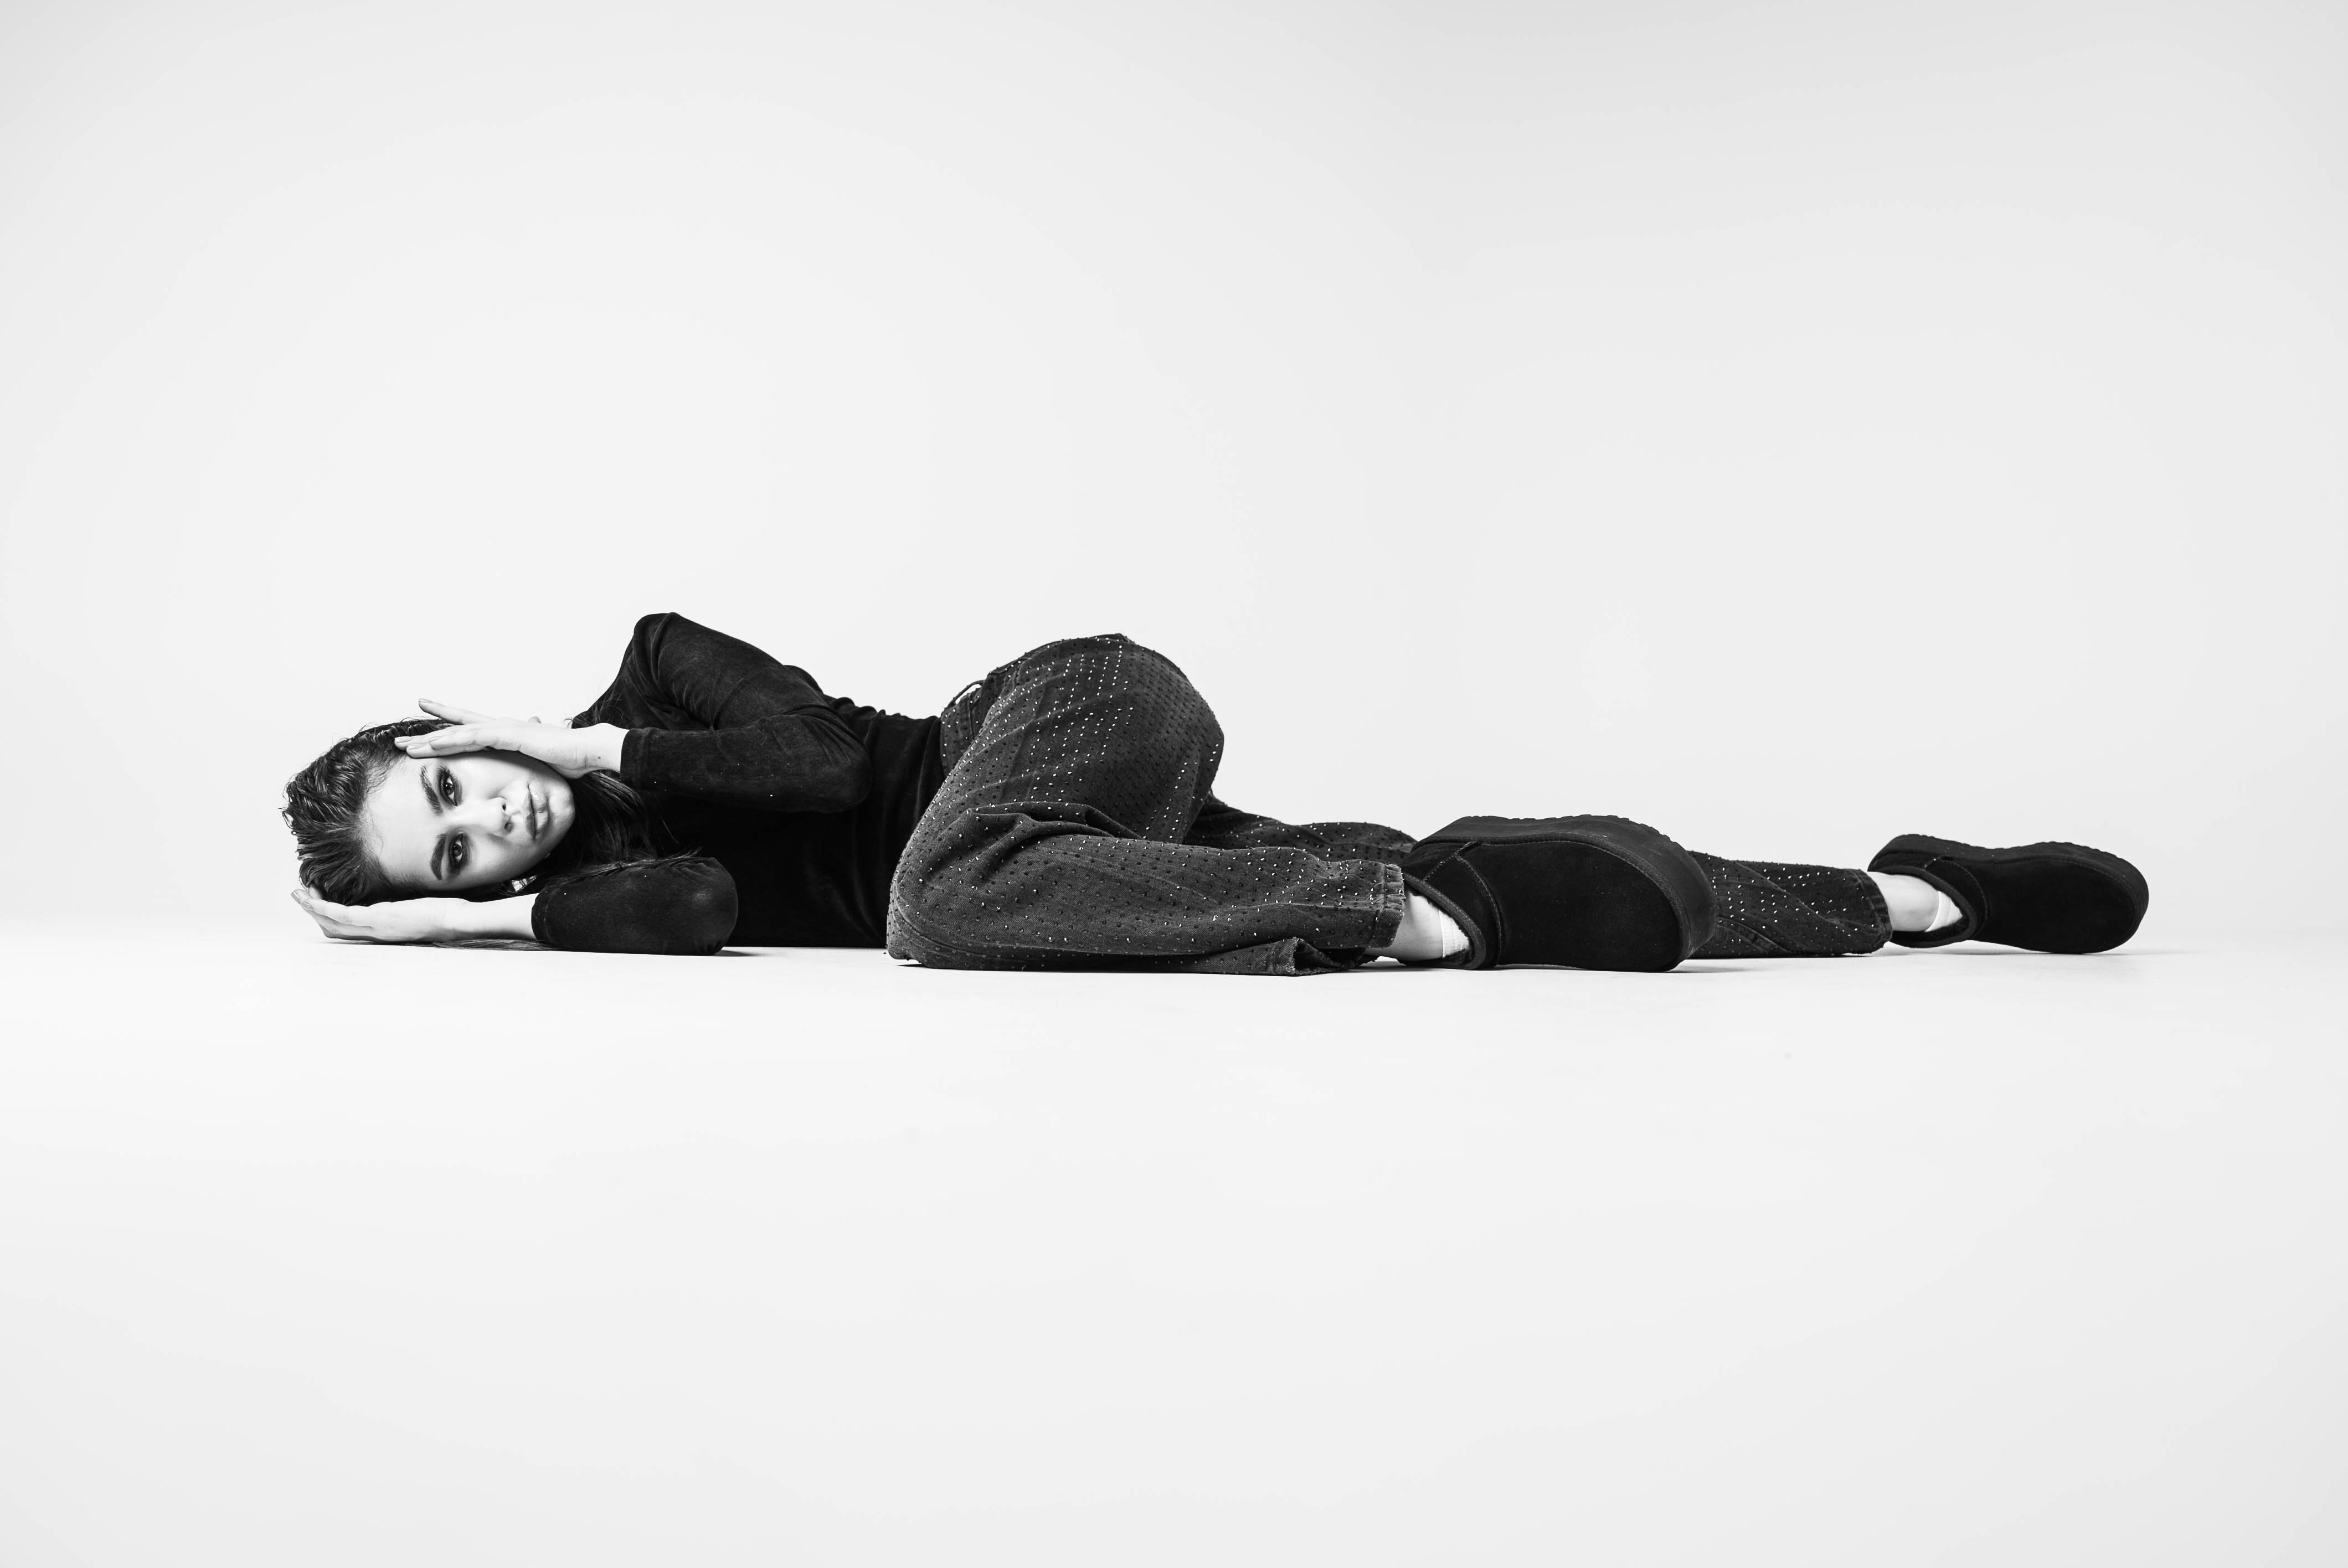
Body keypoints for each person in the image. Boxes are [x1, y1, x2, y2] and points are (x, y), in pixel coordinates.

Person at [284, 614, 2149, 973]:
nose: (483, 824)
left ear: (460, 730)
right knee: (1512, 889)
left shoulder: (659, 670)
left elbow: (827, 768)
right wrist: (473, 932)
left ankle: (1374, 916)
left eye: (453, 784)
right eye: (444, 856)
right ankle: (1917, 896)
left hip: (1069, 714)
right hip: (1101, 863)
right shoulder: (598, 895)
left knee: (935, 903)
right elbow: (697, 905)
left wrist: (586, 741)